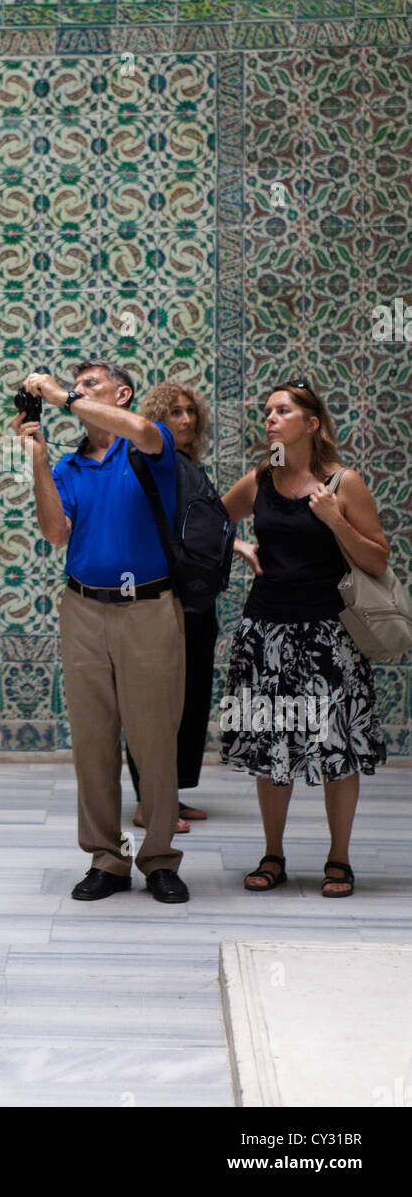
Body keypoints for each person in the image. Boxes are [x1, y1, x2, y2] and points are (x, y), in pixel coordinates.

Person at [14, 360, 189, 905]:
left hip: (149, 609)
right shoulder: (69, 466)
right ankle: (107, 858)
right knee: (92, 740)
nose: (80, 392)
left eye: (91, 385)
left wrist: (61, 395)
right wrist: (40, 460)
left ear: (122, 392)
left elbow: (135, 428)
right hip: (83, 608)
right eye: (78, 385)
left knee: (154, 737)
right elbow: (54, 533)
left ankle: (159, 857)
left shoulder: (147, 444)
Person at [220, 377, 388, 897]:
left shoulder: (343, 482)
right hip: (265, 632)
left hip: (328, 635)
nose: (270, 418)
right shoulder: (262, 477)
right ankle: (274, 853)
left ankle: (339, 857)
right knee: (272, 748)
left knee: (337, 748)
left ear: (311, 424)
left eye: (282, 411)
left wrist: (336, 521)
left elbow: (377, 559)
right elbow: (210, 521)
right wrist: (241, 548)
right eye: (267, 410)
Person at [126, 380, 218, 832]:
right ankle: (148, 802)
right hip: (161, 595)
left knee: (189, 699)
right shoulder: (148, 463)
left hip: (196, 598)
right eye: (175, 413)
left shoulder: (188, 466)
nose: (185, 420)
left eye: (190, 412)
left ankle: (171, 794)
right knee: (154, 704)